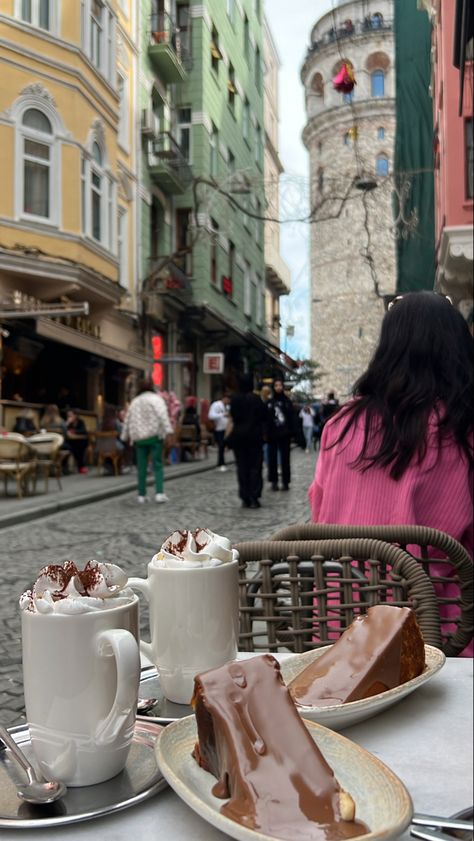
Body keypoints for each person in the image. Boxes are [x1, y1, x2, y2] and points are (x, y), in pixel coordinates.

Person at [308, 292, 473, 655]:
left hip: (342, 633)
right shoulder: (461, 431)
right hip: (442, 637)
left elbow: (320, 519)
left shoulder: (340, 426)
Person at [120, 378, 172, 503]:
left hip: (139, 438)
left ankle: (141, 495)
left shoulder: (135, 401)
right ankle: (159, 493)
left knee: (141, 467)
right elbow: (162, 415)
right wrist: (168, 431)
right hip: (154, 437)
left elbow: (128, 419)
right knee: (157, 465)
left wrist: (124, 436)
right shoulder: (156, 399)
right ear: (152, 387)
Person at [229, 374, 266, 508]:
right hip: (255, 437)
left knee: (242, 467)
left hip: (239, 437)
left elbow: (233, 416)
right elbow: (264, 416)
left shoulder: (235, 399)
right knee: (255, 467)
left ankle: (245, 496)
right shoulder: (256, 399)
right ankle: (254, 496)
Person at [266, 378, 294, 491]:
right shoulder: (269, 402)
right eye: (276, 385)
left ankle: (286, 482)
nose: (278, 387)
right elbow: (266, 419)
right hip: (272, 434)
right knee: (272, 459)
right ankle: (274, 481)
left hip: (285, 434)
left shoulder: (287, 402)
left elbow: (292, 418)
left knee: (285, 459)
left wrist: (292, 432)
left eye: (280, 385)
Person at [208, 393, 230, 471]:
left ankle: (223, 462)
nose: (228, 402)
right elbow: (211, 415)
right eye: (228, 400)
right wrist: (223, 415)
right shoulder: (216, 405)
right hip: (219, 428)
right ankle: (220, 463)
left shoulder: (227, 407)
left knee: (224, 446)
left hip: (226, 429)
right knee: (221, 446)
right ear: (224, 398)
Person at [65, 409, 89, 474]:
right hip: (72, 441)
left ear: (75, 415)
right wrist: (67, 423)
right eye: (68, 416)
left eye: (71, 415)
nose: (69, 417)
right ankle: (80, 466)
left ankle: (81, 466)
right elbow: (65, 430)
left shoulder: (81, 422)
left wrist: (74, 431)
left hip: (82, 440)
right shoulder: (69, 423)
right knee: (72, 447)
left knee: (79, 448)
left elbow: (83, 431)